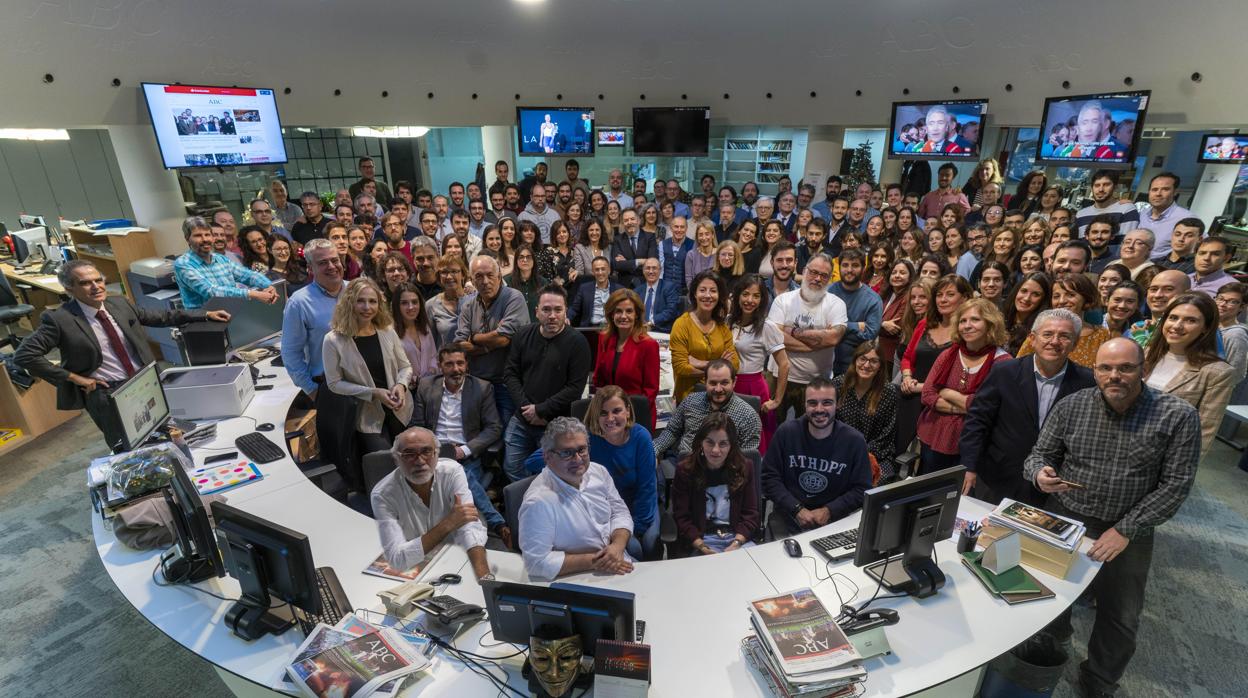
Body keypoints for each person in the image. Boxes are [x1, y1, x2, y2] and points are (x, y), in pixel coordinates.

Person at [1026, 338, 1199, 698]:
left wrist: (1126, 530)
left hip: (1129, 526)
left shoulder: (1178, 416)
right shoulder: (1072, 405)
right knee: (1051, 595)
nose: (1114, 375)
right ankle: (1052, 647)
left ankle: (1099, 682)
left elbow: (1176, 486)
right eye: (1105, 368)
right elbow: (1041, 452)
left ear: (1144, 370)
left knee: (1120, 615)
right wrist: (1040, 473)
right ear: (1095, 371)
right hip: (1070, 517)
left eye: (1125, 367)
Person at [14, 260, 228, 449]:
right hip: (108, 392)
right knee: (126, 445)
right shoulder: (59, 319)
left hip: (143, 381)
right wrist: (74, 378)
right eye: (86, 283)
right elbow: (25, 355)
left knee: (161, 429)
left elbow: (162, 316)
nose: (96, 286)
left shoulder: (118, 303)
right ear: (69, 288)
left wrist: (204, 314)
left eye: (98, 280)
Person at [960, 309, 1096, 505]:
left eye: (1064, 336)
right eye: (1047, 334)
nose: (1055, 341)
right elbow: (977, 421)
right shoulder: (1004, 372)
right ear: (1032, 338)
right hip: (998, 476)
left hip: (1053, 484)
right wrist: (969, 466)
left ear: (1075, 344)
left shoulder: (1087, 381)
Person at [409, 348, 509, 547]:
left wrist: (463, 450)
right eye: (449, 364)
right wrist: (432, 448)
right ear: (440, 366)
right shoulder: (427, 386)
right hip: (434, 453)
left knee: (458, 475)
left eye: (460, 363)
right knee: (460, 477)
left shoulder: (482, 387)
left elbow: (494, 427)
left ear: (466, 364)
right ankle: (497, 524)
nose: (456, 369)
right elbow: (417, 425)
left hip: (466, 453)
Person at [519, 418, 635, 582]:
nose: (578, 459)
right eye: (567, 453)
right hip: (577, 576)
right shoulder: (538, 502)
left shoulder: (599, 472)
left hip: (618, 560)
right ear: (547, 457)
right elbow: (536, 563)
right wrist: (597, 561)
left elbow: (620, 512)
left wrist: (617, 546)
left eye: (582, 449)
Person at [760, 378, 873, 540]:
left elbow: (862, 489)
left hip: (835, 522)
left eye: (827, 403)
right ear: (804, 405)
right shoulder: (786, 433)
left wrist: (829, 510)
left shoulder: (854, 441)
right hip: (789, 517)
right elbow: (769, 478)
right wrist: (797, 509)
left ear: (837, 404)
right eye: (812, 403)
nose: (819, 409)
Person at [371, 427, 491, 579]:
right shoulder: (382, 495)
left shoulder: (452, 472)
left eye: (426, 451)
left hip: (455, 555)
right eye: (409, 454)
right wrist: (449, 523)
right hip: (415, 567)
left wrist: (485, 580)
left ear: (436, 454)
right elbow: (397, 559)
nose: (420, 461)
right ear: (396, 459)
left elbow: (469, 528)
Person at [502, 285, 591, 482]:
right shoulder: (522, 335)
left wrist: (541, 410)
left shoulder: (578, 342)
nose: (552, 315)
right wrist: (528, 409)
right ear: (537, 312)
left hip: (556, 423)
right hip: (522, 418)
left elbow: (575, 388)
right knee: (512, 468)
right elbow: (510, 374)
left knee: (554, 476)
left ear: (565, 311)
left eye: (558, 310)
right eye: (546, 309)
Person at [322, 277, 413, 471]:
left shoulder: (387, 330)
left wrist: (401, 385)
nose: (367, 307)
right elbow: (334, 383)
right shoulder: (333, 340)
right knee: (387, 467)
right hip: (368, 416)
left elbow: (405, 367)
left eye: (372, 301)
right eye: (361, 301)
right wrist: (373, 392)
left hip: (400, 409)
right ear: (350, 302)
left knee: (410, 463)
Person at [915, 298, 1010, 474]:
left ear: (990, 324)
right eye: (962, 321)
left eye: (975, 320)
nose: (967, 325)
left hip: (975, 444)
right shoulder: (947, 354)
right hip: (933, 435)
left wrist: (948, 393)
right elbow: (927, 394)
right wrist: (967, 406)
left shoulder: (1003, 363)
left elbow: (991, 408)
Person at [1143, 293, 1236, 458]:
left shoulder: (1217, 372)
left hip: (1164, 456)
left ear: (1206, 328)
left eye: (1190, 320)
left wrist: (1178, 474)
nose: (1177, 326)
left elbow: (1205, 430)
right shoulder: (1147, 353)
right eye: (1173, 317)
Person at [766, 253, 848, 418]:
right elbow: (773, 336)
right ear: (804, 271)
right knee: (772, 427)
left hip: (817, 382)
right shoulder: (783, 300)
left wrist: (793, 331)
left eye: (823, 275)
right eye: (813, 272)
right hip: (778, 378)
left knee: (810, 432)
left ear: (830, 278)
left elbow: (833, 338)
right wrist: (814, 344)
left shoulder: (836, 304)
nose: (817, 278)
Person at [455, 255, 531, 432]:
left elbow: (504, 338)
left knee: (506, 434)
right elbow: (459, 344)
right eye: (479, 276)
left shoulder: (514, 298)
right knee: (478, 433)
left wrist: (474, 338)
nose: (485, 281)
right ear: (472, 280)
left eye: (490, 275)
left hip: (506, 383)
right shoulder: (468, 305)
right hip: (476, 383)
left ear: (499, 277)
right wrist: (491, 343)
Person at [582, 387, 660, 559]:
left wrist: (637, 528)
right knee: (632, 548)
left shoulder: (641, 437)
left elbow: (647, 488)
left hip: (640, 504)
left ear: (628, 411)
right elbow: (537, 458)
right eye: (603, 413)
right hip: (607, 509)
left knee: (648, 541)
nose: (610, 419)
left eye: (616, 411)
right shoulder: (586, 439)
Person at [899, 275, 972, 455]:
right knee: (900, 453)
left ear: (964, 298)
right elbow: (908, 356)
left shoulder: (967, 332)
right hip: (912, 396)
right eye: (939, 295)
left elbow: (959, 379)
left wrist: (921, 388)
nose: (943, 299)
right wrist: (907, 377)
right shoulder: (925, 324)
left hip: (943, 403)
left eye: (950, 294)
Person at [671, 412, 760, 557]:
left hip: (737, 539)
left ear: (731, 445)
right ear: (701, 442)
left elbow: (751, 514)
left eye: (723, 444)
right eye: (709, 442)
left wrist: (737, 542)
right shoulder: (685, 470)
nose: (715, 450)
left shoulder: (745, 467)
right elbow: (682, 517)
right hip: (702, 540)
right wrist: (701, 546)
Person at [729, 275, 790, 453]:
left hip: (752, 387)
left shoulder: (767, 327)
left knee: (753, 445)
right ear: (738, 296)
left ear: (762, 299)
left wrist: (777, 400)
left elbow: (784, 364)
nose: (750, 300)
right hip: (729, 385)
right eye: (746, 294)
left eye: (756, 296)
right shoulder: (728, 321)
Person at [830, 341, 899, 482]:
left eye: (874, 361)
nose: (867, 365)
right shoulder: (838, 385)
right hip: (839, 451)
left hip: (875, 455)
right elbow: (828, 423)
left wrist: (859, 454)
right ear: (855, 360)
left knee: (873, 484)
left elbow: (886, 436)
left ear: (880, 366)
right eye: (863, 359)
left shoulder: (888, 392)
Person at [172, 216, 276, 310]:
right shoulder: (183, 264)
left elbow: (247, 275)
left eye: (207, 234)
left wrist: (267, 285)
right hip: (204, 322)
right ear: (187, 239)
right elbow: (211, 292)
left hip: (231, 314)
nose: (205, 239)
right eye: (198, 235)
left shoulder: (221, 259)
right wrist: (253, 294)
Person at [592, 290, 660, 430]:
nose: (623, 316)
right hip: (608, 415)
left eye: (629, 311)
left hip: (636, 417)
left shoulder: (648, 345)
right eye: (618, 311)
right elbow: (598, 379)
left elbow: (650, 391)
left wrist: (626, 415)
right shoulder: (604, 338)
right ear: (611, 314)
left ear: (636, 315)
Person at [670, 271, 739, 404]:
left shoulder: (722, 327)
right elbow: (681, 367)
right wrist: (719, 364)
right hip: (689, 399)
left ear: (719, 296)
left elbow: (735, 364)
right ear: (695, 294)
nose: (708, 295)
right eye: (702, 290)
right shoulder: (681, 324)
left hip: (719, 398)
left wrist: (700, 363)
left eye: (713, 291)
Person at [1018, 273, 1115, 367]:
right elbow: (1018, 367)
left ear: (1087, 299)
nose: (1061, 301)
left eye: (1070, 295)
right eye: (1056, 296)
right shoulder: (1039, 332)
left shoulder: (1102, 335)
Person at [828, 248, 883, 375]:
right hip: (825, 361)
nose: (849, 270)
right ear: (839, 267)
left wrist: (839, 327)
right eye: (845, 265)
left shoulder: (873, 300)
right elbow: (821, 326)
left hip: (856, 367)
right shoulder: (828, 292)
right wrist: (857, 325)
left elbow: (870, 335)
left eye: (855, 265)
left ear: (863, 268)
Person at [1129, 269, 1192, 346]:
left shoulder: (1183, 331)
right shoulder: (1138, 328)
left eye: (1168, 289)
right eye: (1153, 289)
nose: (1158, 295)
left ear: (1187, 294)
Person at [1138, 172, 1192, 260]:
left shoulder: (1186, 218)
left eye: (1165, 189)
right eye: (1154, 189)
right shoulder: (1143, 214)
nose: (1158, 194)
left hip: (1163, 269)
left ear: (1175, 192)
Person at [391, 282, 438, 380]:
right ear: (396, 305)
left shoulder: (424, 326)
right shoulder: (390, 332)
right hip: (406, 389)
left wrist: (433, 370)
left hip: (429, 386)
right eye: (404, 303)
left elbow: (433, 355)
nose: (411, 307)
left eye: (414, 302)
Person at [877, 259, 915, 377]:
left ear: (910, 277)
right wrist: (882, 323)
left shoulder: (908, 297)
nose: (897, 276)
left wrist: (873, 324)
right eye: (894, 272)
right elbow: (867, 317)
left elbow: (894, 328)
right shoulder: (885, 294)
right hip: (875, 349)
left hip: (890, 354)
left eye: (902, 273)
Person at [1076, 170, 1140, 240]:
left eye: (1106, 185)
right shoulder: (1081, 215)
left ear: (1115, 187)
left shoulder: (1126, 210)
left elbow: (1127, 243)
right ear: (1092, 188)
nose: (1101, 189)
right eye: (1097, 185)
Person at [427, 254, 468, 348]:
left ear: (463, 274)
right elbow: (430, 343)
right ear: (438, 276)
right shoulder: (431, 305)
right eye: (444, 272)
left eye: (454, 271)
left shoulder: (475, 300)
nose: (449, 276)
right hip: (445, 361)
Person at [610, 209, 657, 289]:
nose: (629, 222)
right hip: (624, 285)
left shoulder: (650, 237)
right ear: (623, 224)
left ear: (638, 221)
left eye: (632, 219)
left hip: (645, 283)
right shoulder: (618, 240)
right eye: (626, 220)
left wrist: (627, 262)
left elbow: (651, 263)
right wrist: (640, 261)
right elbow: (617, 265)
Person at [570, 256, 622, 328]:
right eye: (597, 270)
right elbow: (574, 309)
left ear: (609, 270)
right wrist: (566, 318)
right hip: (590, 329)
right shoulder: (584, 288)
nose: (600, 273)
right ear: (593, 272)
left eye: (603, 269)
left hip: (612, 329)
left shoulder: (619, 289)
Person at [634, 257, 681, 334]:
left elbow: (672, 310)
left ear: (660, 270)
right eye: (648, 268)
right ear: (643, 271)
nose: (651, 271)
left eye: (654, 268)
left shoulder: (669, 287)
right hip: (640, 331)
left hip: (662, 331)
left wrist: (651, 322)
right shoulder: (637, 291)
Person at [504, 244, 547, 317]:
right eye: (521, 257)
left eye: (528, 257)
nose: (525, 260)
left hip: (537, 326)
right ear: (516, 261)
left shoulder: (543, 282)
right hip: (514, 325)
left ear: (534, 261)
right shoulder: (506, 281)